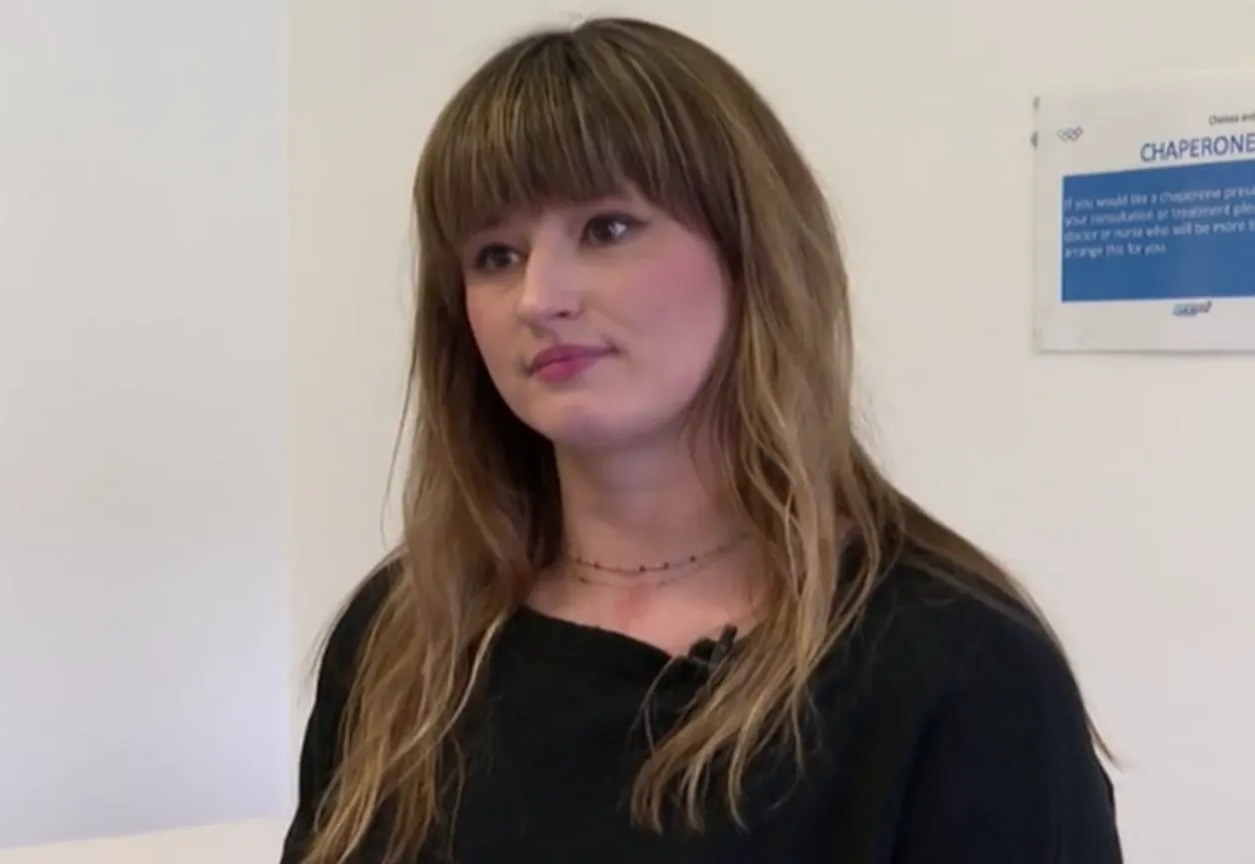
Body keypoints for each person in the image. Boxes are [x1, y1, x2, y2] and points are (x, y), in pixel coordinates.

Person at [281, 15, 1122, 864]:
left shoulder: (955, 666)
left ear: (749, 250)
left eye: (607, 227)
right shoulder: (403, 638)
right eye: (496, 254)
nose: (540, 296)